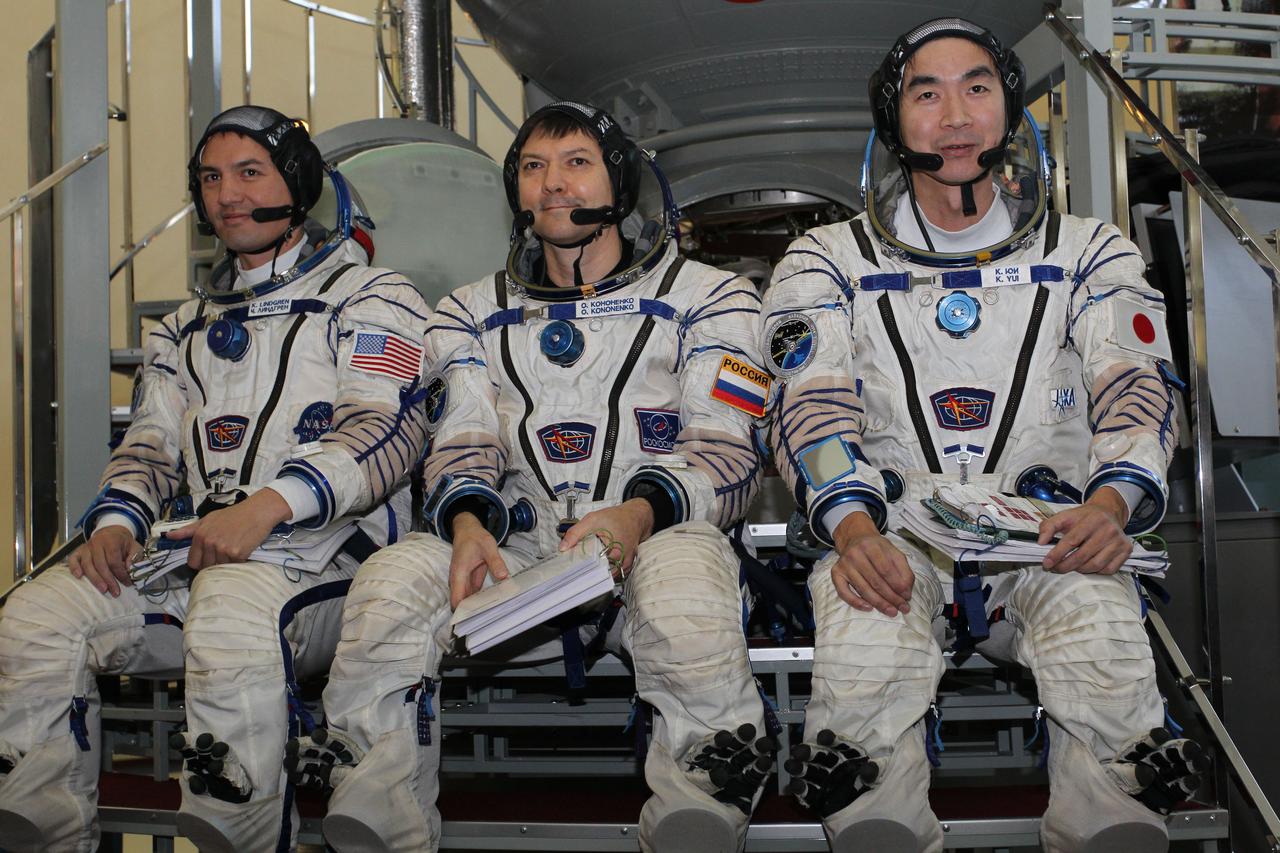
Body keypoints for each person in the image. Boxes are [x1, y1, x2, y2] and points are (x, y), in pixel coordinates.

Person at [761, 19, 1205, 852]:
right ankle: (877, 821)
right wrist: (852, 528)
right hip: (892, 532)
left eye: (977, 87)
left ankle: (1110, 822)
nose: (955, 113)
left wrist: (1111, 505)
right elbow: (810, 408)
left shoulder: (1088, 250)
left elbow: (1136, 387)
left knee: (1101, 640)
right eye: (927, 93)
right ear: (896, 124)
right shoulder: (825, 260)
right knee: (863, 658)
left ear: (1009, 108)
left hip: (1050, 533)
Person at [289, 101, 773, 853]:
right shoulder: (468, 311)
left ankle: (701, 803)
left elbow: (729, 447)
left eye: (577, 163)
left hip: (655, 541)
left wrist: (636, 516)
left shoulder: (711, 296)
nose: (554, 184)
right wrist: (469, 520)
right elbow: (462, 441)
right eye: (534, 167)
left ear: (620, 179)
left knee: (685, 576)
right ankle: (373, 800)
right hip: (520, 558)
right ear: (515, 189)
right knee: (392, 578)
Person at [0, 105, 429, 853]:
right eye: (210, 178)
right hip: (199, 556)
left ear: (297, 182)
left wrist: (268, 505)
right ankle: (39, 824)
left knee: (232, 605)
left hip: (330, 566)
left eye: (248, 173)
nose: (226, 194)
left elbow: (386, 432)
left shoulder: (372, 296)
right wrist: (116, 525)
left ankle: (239, 826)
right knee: (38, 615)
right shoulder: (183, 327)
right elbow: (149, 447)